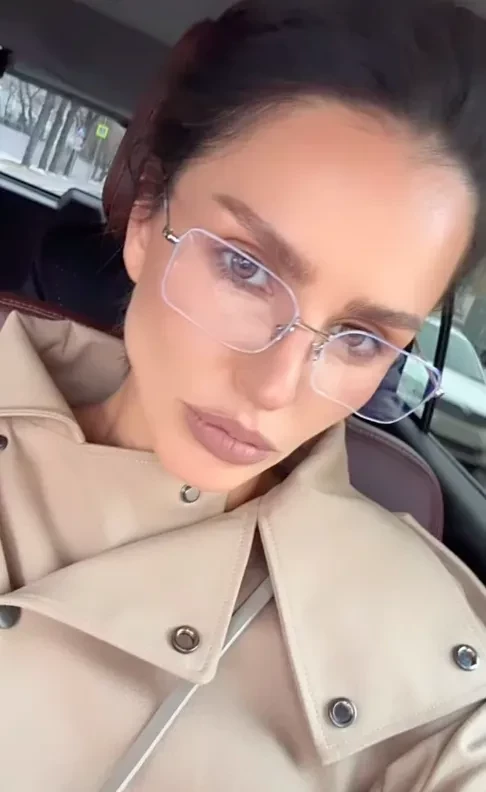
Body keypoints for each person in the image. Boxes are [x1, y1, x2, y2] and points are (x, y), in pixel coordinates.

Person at [2, 0, 486, 789]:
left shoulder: (442, 684)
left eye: (361, 337)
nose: (275, 387)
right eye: (245, 268)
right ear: (146, 215)